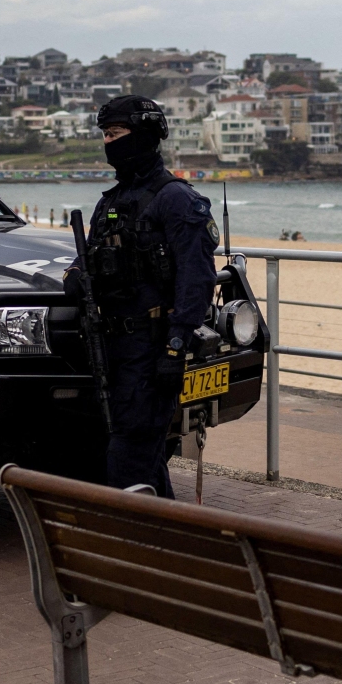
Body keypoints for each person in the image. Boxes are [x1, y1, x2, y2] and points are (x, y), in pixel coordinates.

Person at [69, 95, 218, 498]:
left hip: (152, 352)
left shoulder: (176, 200)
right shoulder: (110, 203)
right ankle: (168, 539)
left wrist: (175, 346)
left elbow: (196, 281)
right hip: (113, 349)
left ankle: (130, 545)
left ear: (145, 135)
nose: (109, 142)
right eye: (105, 135)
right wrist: (76, 275)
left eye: (116, 133)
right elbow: (92, 260)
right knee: (142, 457)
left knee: (128, 457)